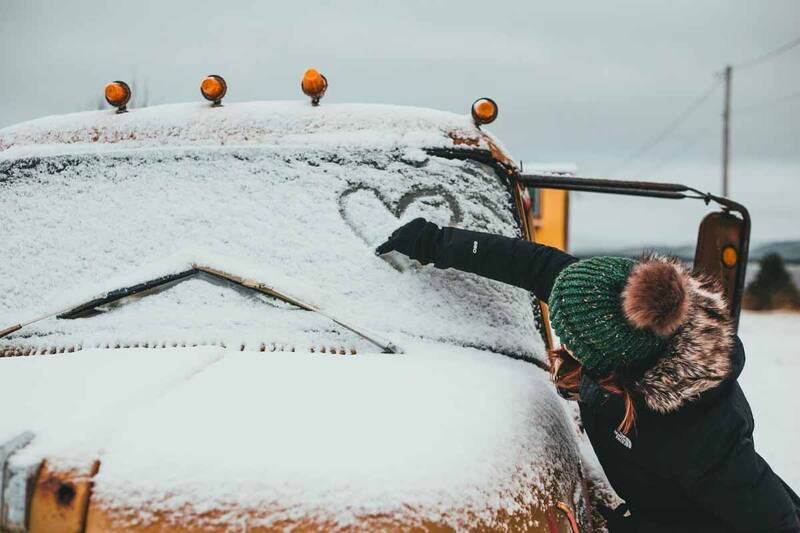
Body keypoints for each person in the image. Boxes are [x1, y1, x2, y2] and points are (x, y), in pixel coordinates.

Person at [376, 218, 800, 533]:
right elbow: (536, 265)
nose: (562, 334)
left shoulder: (701, 437)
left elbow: (774, 522)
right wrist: (437, 241)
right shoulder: (612, 306)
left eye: (570, 336)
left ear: (608, 361)